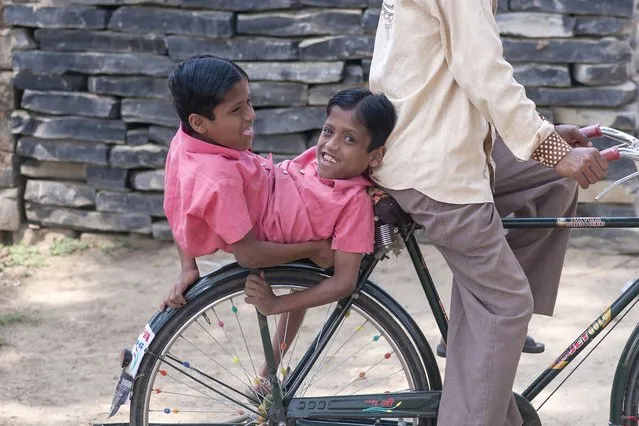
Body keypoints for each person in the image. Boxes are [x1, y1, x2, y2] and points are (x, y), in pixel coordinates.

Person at [368, 1, 608, 425]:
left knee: (552, 181)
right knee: (507, 304)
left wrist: (545, 140)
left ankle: (478, 333)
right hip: (431, 163)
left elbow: (449, 72)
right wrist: (547, 146)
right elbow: (482, 69)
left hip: (428, 136)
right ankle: (488, 330)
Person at [159, 55, 396, 392]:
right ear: (198, 122)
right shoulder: (220, 179)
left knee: (301, 279)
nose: (251, 115)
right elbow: (251, 257)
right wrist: (314, 250)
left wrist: (188, 266)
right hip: (278, 221)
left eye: (248, 103)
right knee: (301, 274)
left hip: (279, 182)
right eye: (237, 109)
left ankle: (268, 371)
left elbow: (176, 198)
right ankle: (269, 370)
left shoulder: (187, 141)